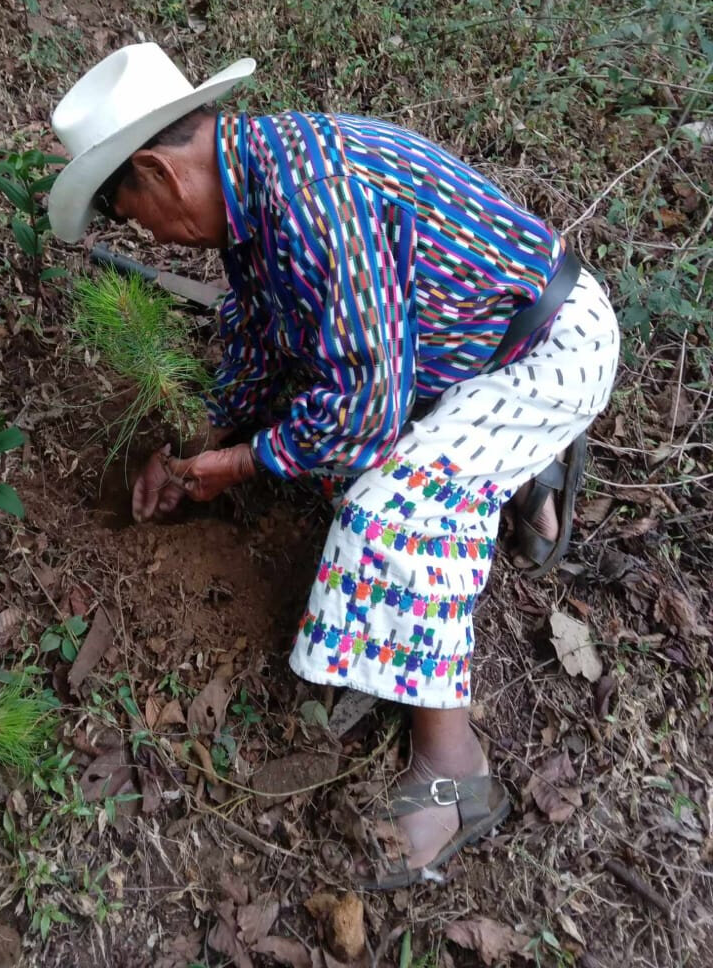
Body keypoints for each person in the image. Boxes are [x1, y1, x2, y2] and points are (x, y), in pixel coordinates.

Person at [48, 43, 619, 886]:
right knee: (316, 421)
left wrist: (245, 463)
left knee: (389, 510)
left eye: (139, 221)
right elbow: (258, 336)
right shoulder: (256, 186)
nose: (154, 239)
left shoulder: (309, 195)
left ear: (160, 174)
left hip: (547, 351)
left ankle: (456, 774)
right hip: (468, 343)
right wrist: (197, 445)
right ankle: (521, 471)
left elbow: (367, 407)